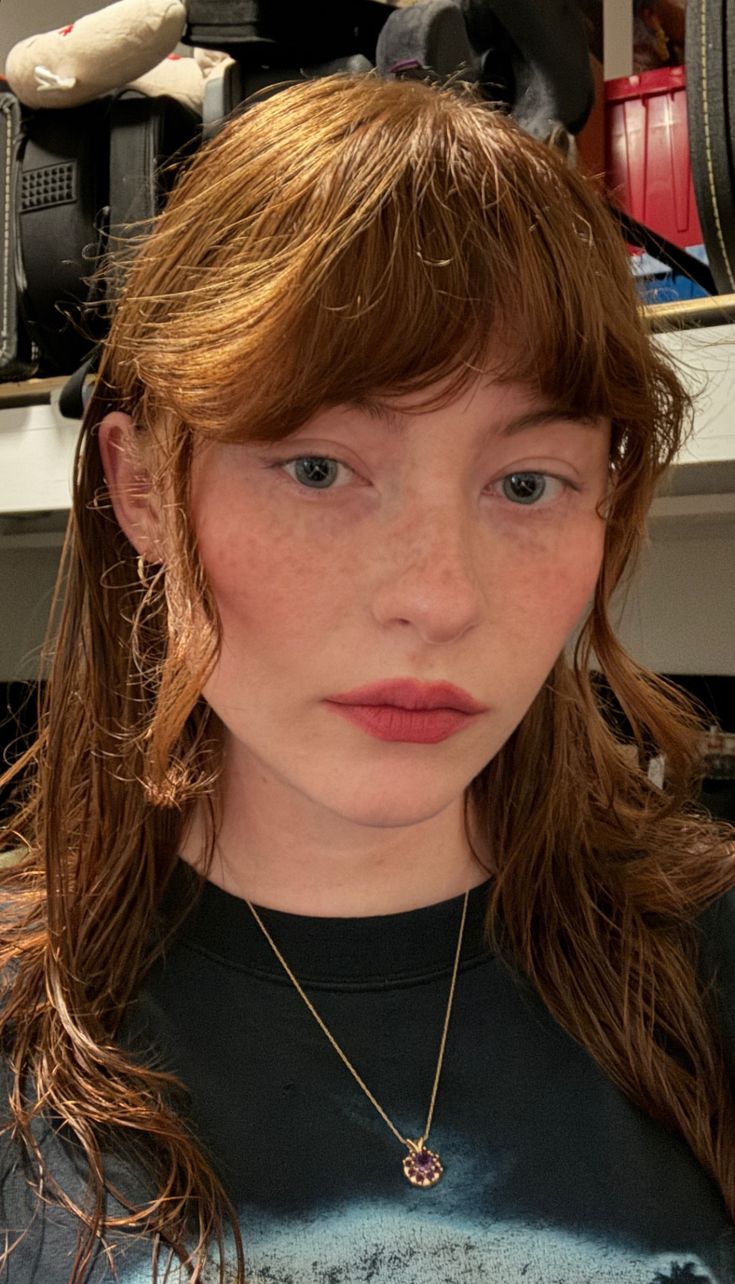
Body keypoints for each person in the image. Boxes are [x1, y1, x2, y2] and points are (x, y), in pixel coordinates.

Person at [1, 69, 734, 1284]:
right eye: (319, 471)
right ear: (141, 488)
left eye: (526, 484)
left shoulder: (705, 968)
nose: (439, 599)